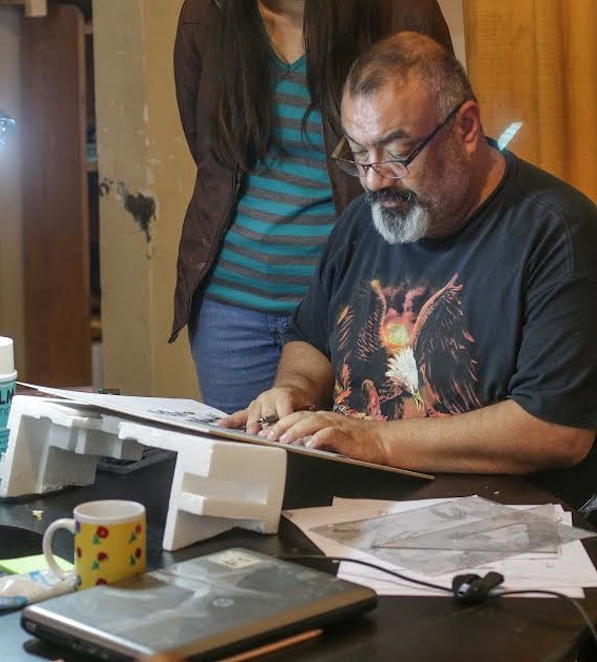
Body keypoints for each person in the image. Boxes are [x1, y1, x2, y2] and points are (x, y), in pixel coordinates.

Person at [223, 31, 597, 508]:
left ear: (465, 127)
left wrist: (377, 442)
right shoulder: (364, 221)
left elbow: (556, 430)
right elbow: (311, 338)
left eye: (397, 153)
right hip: (350, 506)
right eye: (358, 155)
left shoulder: (557, 233)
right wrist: (292, 389)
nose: (375, 180)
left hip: (491, 523)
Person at [172, 0, 453, 413]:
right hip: (233, 308)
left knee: (354, 486)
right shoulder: (210, 13)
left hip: (360, 302)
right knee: (247, 483)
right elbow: (209, 152)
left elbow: (434, 159)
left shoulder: (402, 13)